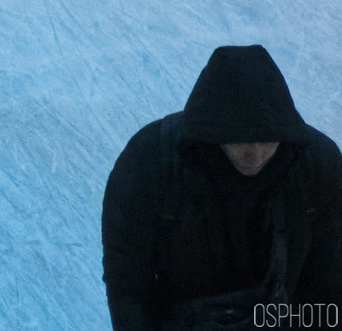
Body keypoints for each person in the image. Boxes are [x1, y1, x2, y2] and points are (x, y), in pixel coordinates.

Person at [102, 45, 342, 329]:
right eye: (240, 143)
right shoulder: (148, 165)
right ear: (212, 135)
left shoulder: (317, 167)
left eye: (267, 143)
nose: (254, 156)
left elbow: (331, 287)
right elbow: (128, 286)